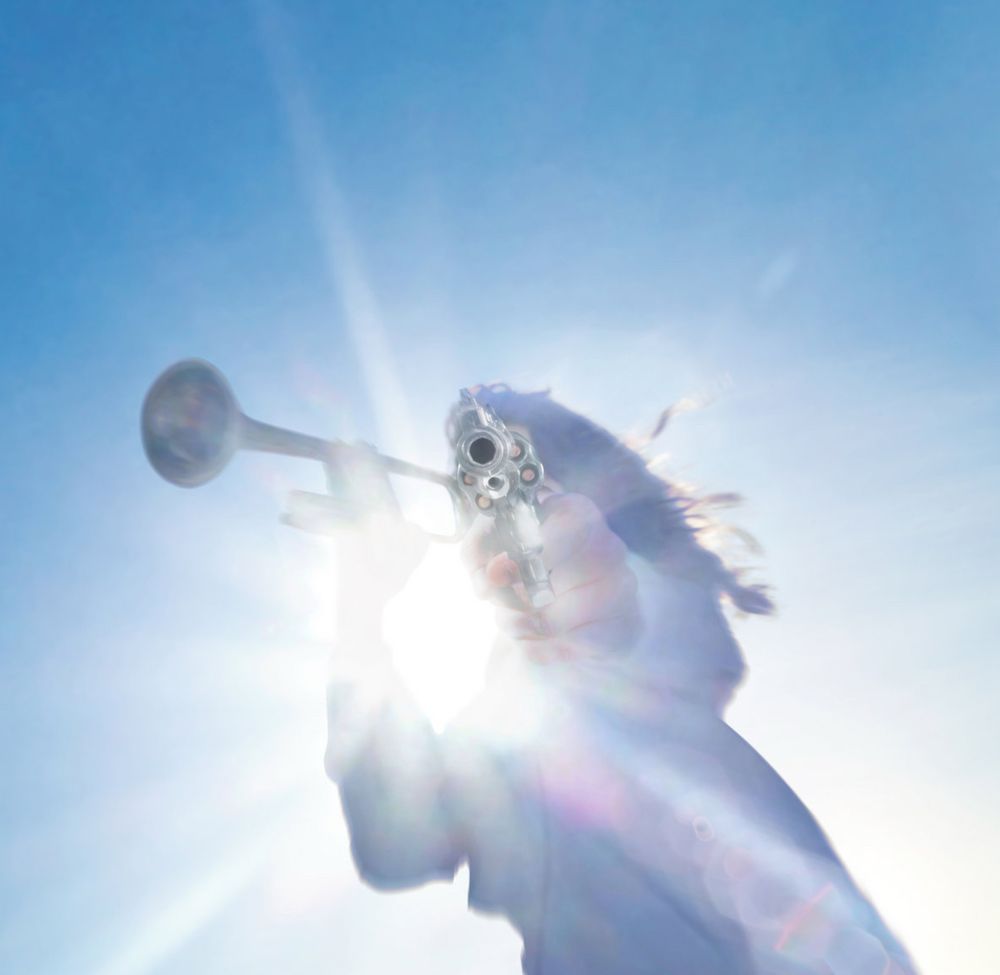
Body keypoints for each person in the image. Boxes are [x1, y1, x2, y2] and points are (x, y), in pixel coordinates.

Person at [324, 386, 918, 975]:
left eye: (515, 463)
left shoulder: (651, 615)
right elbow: (399, 846)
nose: (493, 491)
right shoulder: (508, 710)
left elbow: (613, 611)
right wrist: (360, 598)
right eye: (475, 473)